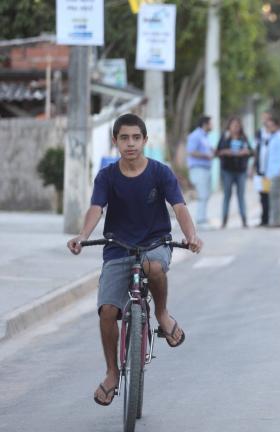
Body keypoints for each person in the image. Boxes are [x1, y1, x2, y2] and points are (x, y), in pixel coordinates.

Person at [66, 113, 203, 407]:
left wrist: (191, 235)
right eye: (124, 138)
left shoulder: (160, 173)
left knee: (153, 266)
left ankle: (162, 315)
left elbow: (179, 207)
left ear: (144, 141)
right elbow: (96, 208)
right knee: (106, 312)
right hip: (118, 248)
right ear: (115, 141)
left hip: (155, 243)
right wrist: (82, 234)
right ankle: (112, 372)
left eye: (136, 138)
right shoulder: (106, 176)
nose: (130, 144)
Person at [216, 116, 253, 229]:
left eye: (237, 125)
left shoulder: (243, 138)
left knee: (241, 195)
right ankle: (224, 220)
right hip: (227, 170)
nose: (235, 128)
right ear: (229, 126)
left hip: (241, 171)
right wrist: (227, 152)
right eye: (233, 125)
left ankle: (244, 220)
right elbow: (218, 151)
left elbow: (251, 151)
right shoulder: (225, 137)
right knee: (227, 195)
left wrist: (245, 152)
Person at [186, 116, 214, 228]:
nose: (212, 126)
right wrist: (205, 155)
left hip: (206, 169)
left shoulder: (205, 136)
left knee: (206, 194)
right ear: (205, 124)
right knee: (202, 194)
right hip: (198, 168)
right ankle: (200, 220)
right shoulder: (196, 135)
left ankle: (203, 217)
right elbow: (191, 151)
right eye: (211, 123)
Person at [250, 112, 272, 227]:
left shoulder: (276, 133)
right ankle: (264, 219)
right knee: (263, 195)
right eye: (264, 119)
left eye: (267, 119)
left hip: (271, 170)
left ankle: (271, 218)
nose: (265, 121)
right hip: (261, 169)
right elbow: (255, 151)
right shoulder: (259, 133)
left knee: (270, 194)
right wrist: (252, 167)